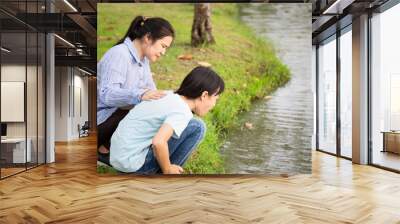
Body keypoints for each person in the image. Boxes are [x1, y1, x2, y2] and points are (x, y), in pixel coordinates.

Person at [110, 66, 225, 174]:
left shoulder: (167, 94)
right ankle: (167, 176)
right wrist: (167, 169)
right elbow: (158, 142)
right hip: (134, 167)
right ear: (204, 95)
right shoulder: (182, 111)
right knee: (198, 127)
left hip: (119, 157)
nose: (214, 104)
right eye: (216, 98)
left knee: (192, 124)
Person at [97, 16, 175, 156]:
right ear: (148, 37)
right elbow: (107, 95)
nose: (164, 52)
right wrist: (139, 95)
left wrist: (172, 99)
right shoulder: (119, 54)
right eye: (163, 46)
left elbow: (152, 92)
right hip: (101, 121)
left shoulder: (143, 60)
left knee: (157, 113)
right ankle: (107, 147)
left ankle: (113, 148)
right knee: (143, 113)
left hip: (116, 117)